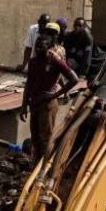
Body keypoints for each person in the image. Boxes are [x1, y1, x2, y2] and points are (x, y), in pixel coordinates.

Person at [25, 25, 82, 160]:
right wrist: (23, 105)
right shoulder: (33, 62)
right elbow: (29, 83)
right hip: (34, 103)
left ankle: (45, 169)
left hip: (47, 104)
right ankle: (35, 168)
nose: (38, 48)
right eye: (37, 46)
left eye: (41, 46)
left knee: (46, 138)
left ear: (49, 47)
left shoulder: (54, 60)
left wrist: (55, 95)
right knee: (35, 139)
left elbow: (74, 79)